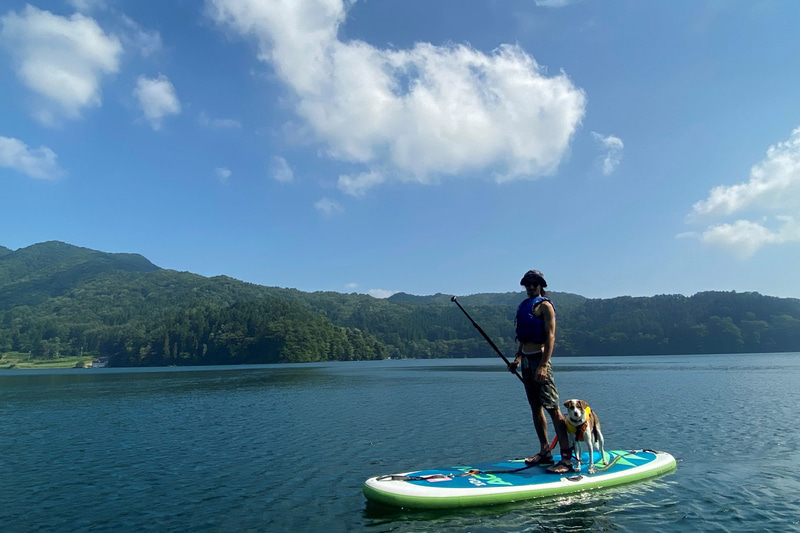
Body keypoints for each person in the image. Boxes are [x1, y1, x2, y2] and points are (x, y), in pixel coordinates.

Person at [508, 269, 573, 474]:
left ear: (541, 285)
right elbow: (523, 337)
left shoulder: (545, 306)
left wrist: (544, 364)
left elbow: (551, 336)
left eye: (534, 284)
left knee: (553, 408)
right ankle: (545, 451)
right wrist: (517, 358)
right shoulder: (524, 305)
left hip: (540, 359)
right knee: (535, 407)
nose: (530, 287)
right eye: (527, 284)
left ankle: (566, 458)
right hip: (526, 360)